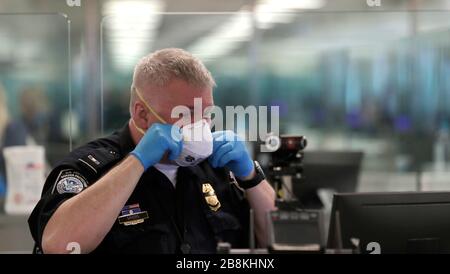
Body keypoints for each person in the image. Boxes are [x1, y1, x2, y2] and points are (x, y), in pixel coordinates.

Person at [28, 48, 276, 254]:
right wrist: (137, 162)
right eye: (186, 113)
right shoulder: (90, 168)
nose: (201, 124)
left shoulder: (218, 166)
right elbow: (59, 246)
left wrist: (251, 177)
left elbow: (279, 240)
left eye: (207, 113)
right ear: (142, 114)